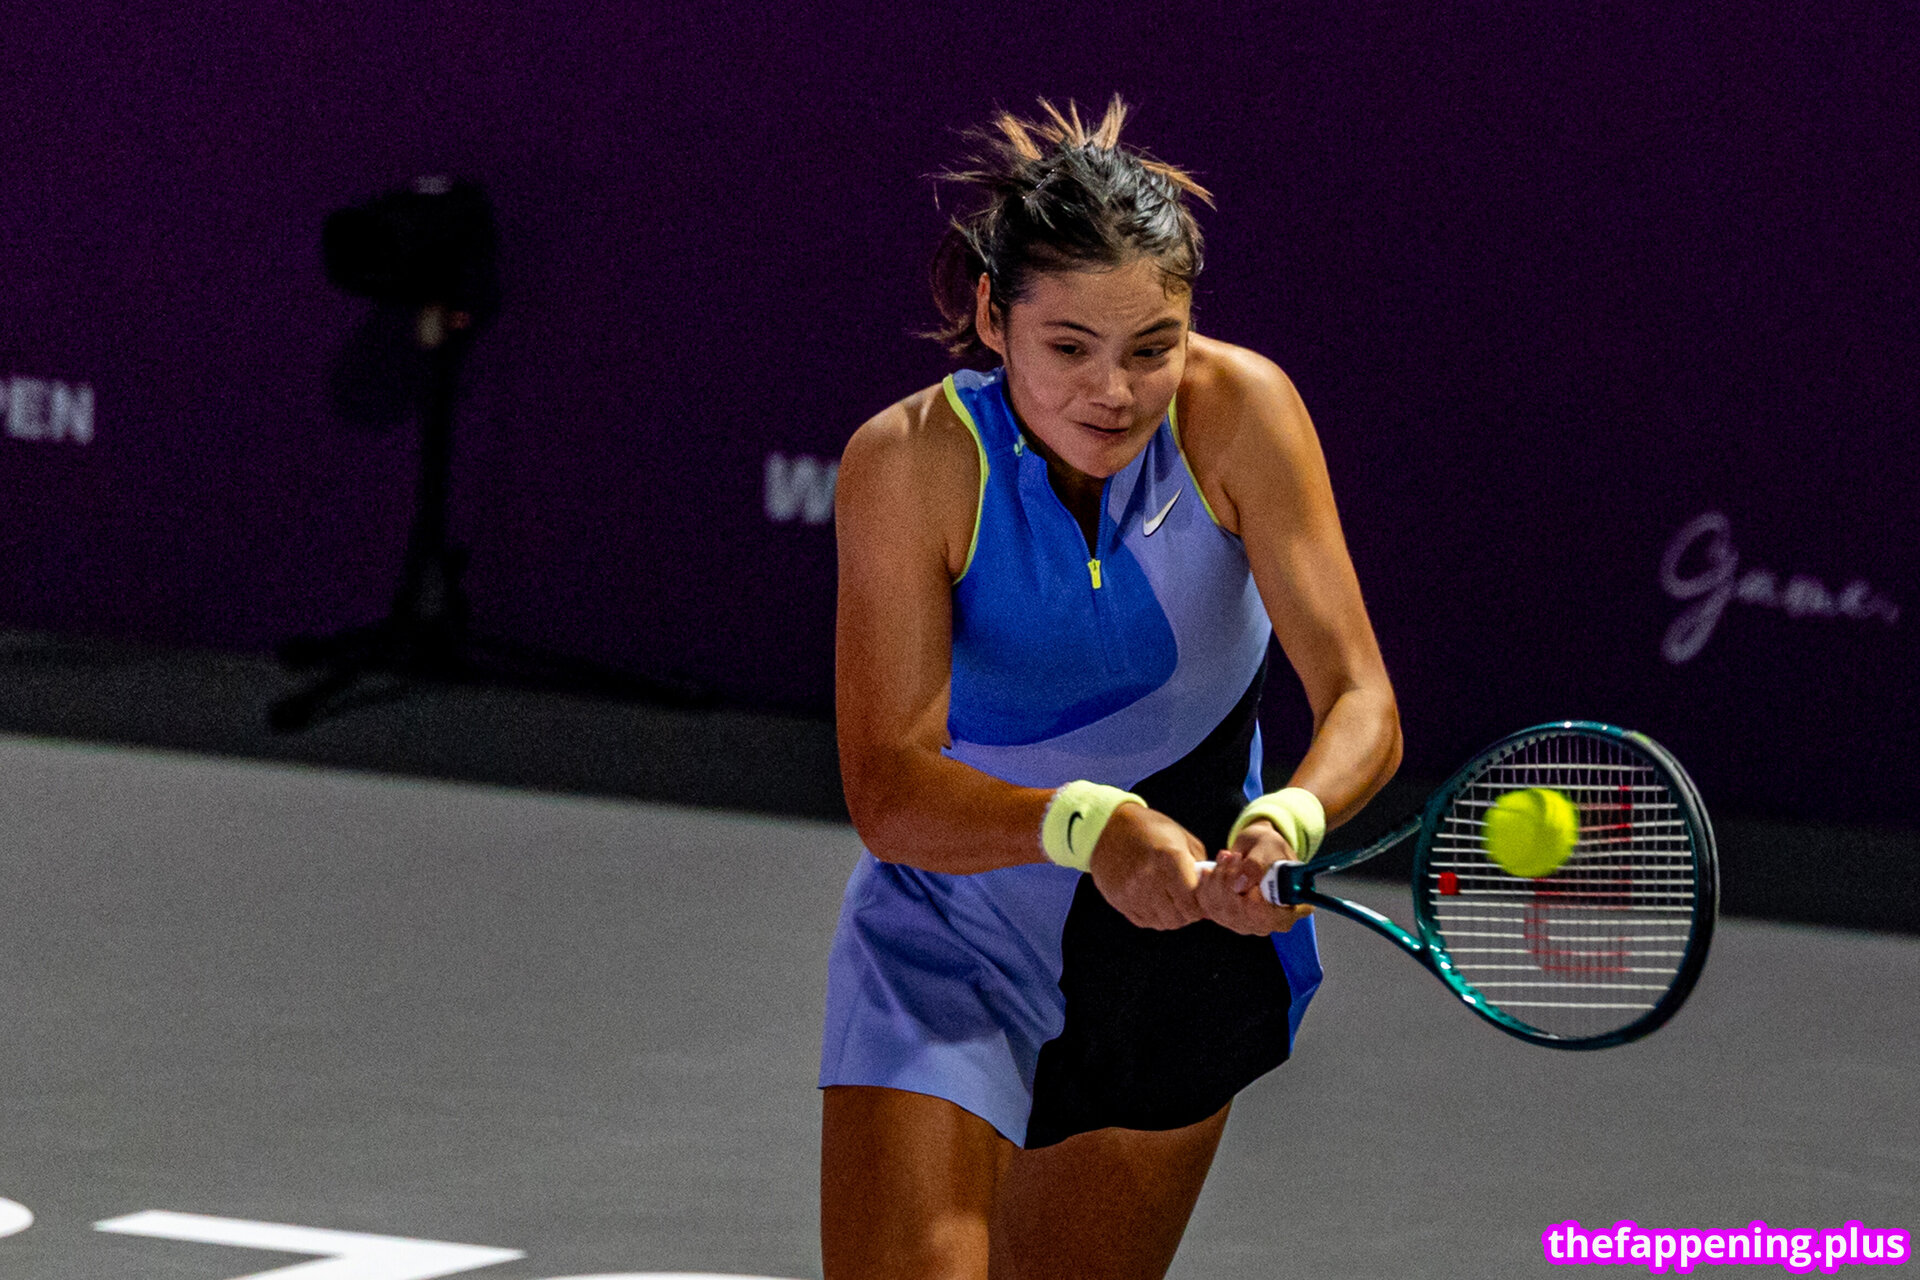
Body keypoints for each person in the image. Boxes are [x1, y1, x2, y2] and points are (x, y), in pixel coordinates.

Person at [820, 97, 1401, 1280]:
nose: (1115, 391)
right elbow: (889, 790)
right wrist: (1093, 825)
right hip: (950, 937)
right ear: (994, 317)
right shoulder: (910, 463)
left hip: (1174, 959)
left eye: (1151, 347)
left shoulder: (1242, 414)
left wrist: (1287, 817)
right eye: (1069, 347)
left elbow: (1361, 698)